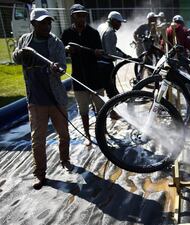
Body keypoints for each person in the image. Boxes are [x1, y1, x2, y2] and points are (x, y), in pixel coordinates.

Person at [12, 8, 72, 190]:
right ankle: (40, 174)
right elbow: (16, 58)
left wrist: (55, 68)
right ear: (33, 24)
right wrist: (20, 54)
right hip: (36, 100)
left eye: (48, 22)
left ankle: (65, 159)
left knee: (64, 134)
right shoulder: (25, 40)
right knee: (37, 140)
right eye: (42, 23)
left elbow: (62, 65)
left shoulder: (56, 42)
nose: (47, 26)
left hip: (55, 98)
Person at [61, 4, 104, 146]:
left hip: (95, 77)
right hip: (78, 78)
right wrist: (67, 51)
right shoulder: (67, 33)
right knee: (83, 110)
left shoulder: (93, 33)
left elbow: (100, 52)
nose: (82, 18)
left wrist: (98, 53)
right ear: (73, 16)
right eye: (78, 15)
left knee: (101, 107)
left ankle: (101, 132)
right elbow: (62, 53)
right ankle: (87, 136)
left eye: (84, 15)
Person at [97, 11, 127, 98]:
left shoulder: (101, 26)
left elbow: (108, 46)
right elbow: (111, 54)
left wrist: (123, 53)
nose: (120, 25)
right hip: (106, 66)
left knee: (101, 89)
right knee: (111, 91)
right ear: (113, 21)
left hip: (98, 63)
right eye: (119, 22)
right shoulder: (110, 32)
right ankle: (113, 109)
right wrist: (123, 56)